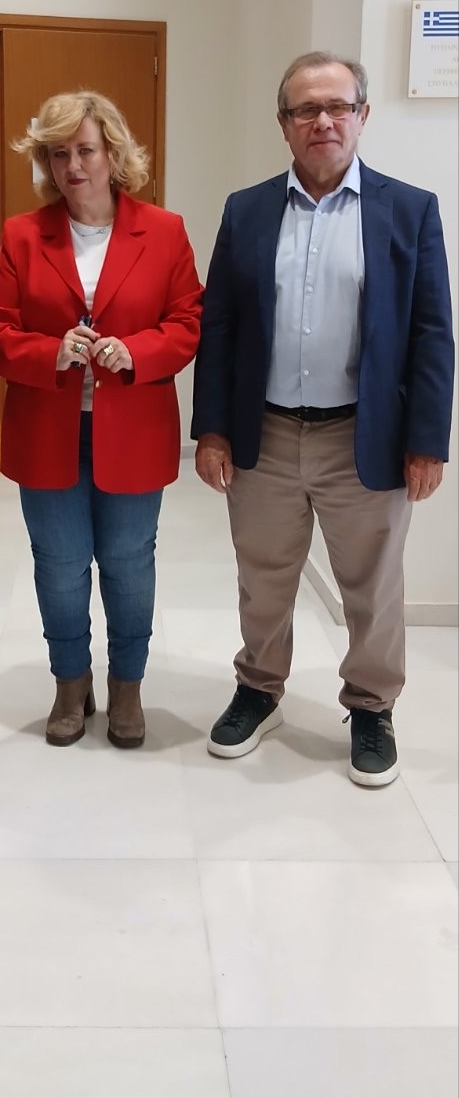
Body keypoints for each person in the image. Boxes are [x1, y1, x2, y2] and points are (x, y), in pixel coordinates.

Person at [192, 51, 454, 787]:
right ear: (283, 124)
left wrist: (426, 441)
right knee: (263, 575)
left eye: (338, 106)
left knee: (371, 584)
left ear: (363, 116)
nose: (323, 121)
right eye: (306, 109)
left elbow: (432, 332)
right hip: (266, 433)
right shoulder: (247, 210)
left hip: (364, 435)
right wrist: (211, 428)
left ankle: (371, 704)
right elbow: (219, 326)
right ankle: (258, 688)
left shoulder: (409, 209)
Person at [0, 91, 202, 748]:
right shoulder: (23, 235)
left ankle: (127, 684)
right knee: (59, 564)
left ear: (113, 153)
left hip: (133, 429)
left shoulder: (164, 231)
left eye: (85, 151)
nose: (72, 167)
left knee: (129, 563)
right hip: (49, 431)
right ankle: (69, 682)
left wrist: (137, 351)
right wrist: (48, 352)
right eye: (58, 154)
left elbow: (187, 322)